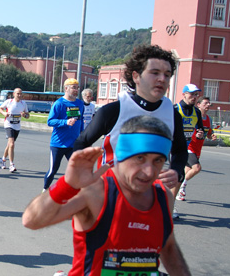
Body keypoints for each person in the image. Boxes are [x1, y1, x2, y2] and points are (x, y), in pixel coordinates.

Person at [23, 115, 216, 276]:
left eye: (157, 161)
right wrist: (68, 184)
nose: (148, 171)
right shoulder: (98, 191)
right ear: (122, 155)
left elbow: (168, 246)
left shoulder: (162, 195)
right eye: (140, 158)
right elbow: (32, 220)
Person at [73, 45, 188, 209]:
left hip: (147, 199)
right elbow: (80, 143)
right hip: (108, 198)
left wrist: (177, 171)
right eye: (155, 73)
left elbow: (180, 150)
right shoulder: (113, 111)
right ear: (136, 76)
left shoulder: (172, 114)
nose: (162, 79)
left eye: (167, 75)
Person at [43, 78, 85, 191]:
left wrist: (82, 136)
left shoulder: (80, 104)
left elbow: (80, 121)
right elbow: (50, 121)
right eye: (73, 87)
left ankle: (73, 193)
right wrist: (65, 122)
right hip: (58, 144)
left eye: (77, 88)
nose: (76, 90)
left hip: (73, 144)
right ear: (66, 88)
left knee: (77, 169)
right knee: (53, 170)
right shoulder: (59, 103)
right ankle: (45, 190)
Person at [175, 94, 216, 202]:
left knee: (186, 172)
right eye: (205, 103)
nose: (208, 105)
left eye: (209, 103)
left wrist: (211, 135)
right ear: (199, 105)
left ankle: (179, 192)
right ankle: (181, 186)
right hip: (189, 146)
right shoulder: (193, 115)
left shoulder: (209, 119)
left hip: (198, 149)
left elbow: (207, 132)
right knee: (197, 168)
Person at [0, 87, 30, 173]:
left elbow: (28, 115)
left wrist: (24, 115)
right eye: (17, 94)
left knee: (10, 145)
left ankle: (3, 159)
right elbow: (0, 108)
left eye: (20, 94)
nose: (19, 95)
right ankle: (11, 164)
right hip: (8, 124)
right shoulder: (9, 102)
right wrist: (4, 113)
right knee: (12, 144)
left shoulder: (23, 103)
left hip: (17, 126)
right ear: (14, 94)